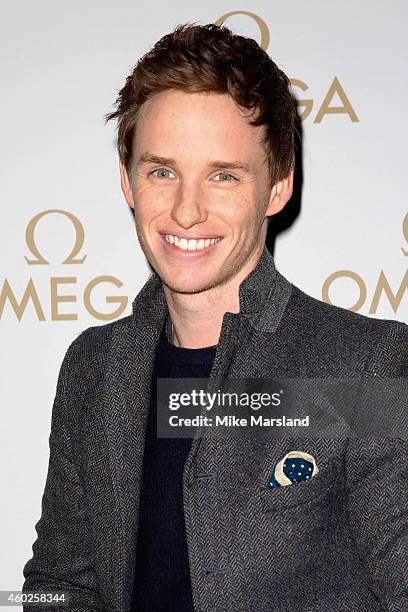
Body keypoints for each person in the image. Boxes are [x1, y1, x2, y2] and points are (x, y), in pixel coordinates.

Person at [22, 22, 408, 612]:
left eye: (223, 175)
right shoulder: (94, 369)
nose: (187, 209)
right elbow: (60, 585)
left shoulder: (361, 368)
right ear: (127, 181)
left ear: (277, 187)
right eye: (162, 171)